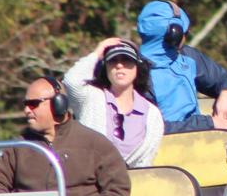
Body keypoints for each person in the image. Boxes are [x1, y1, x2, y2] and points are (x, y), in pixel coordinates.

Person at [0, 76, 131, 196]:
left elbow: (117, 190)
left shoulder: (94, 143)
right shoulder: (18, 147)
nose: (27, 110)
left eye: (34, 104)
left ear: (59, 104)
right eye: (26, 104)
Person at [136, 0, 227, 133]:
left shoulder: (187, 56)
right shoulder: (135, 71)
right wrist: (208, 123)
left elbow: (226, 79)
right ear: (174, 34)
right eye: (185, 33)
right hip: (165, 146)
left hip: (198, 138)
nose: (185, 38)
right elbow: (153, 128)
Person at [63, 39, 165, 167]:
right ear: (105, 67)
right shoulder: (91, 98)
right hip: (90, 182)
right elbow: (71, 81)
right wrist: (98, 51)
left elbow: (145, 162)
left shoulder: (152, 114)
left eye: (126, 60)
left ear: (137, 68)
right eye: (113, 61)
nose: (119, 66)